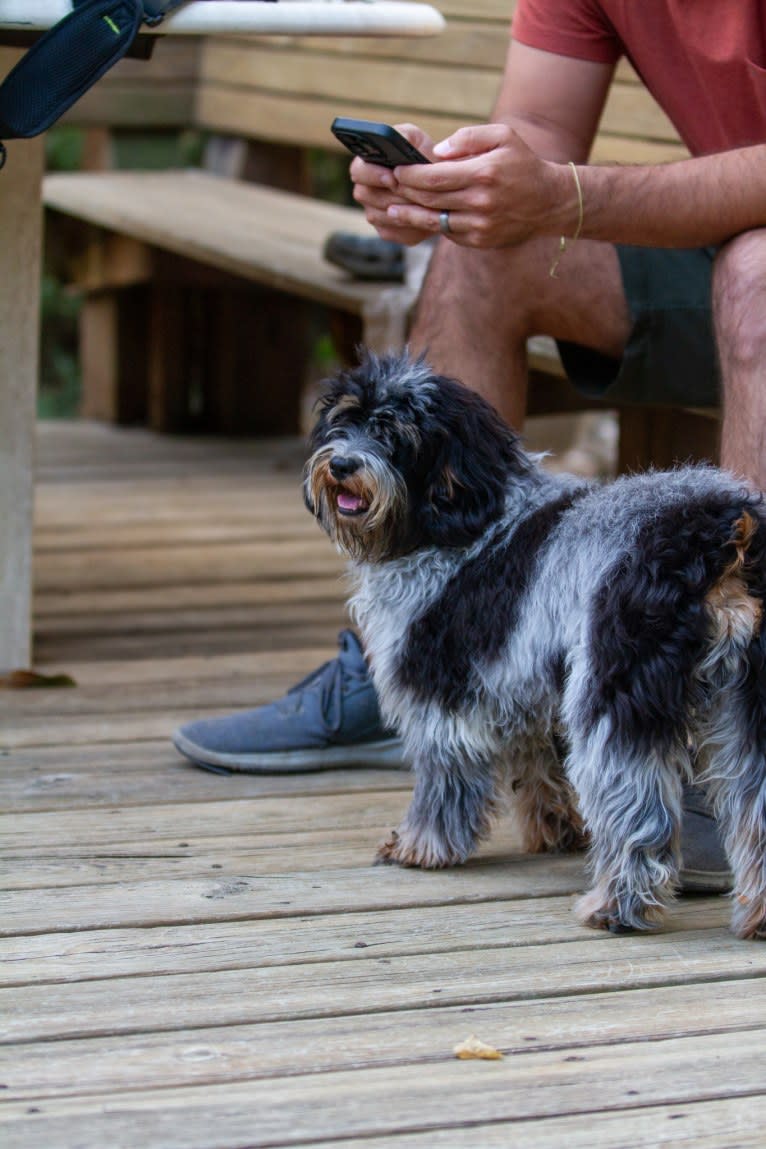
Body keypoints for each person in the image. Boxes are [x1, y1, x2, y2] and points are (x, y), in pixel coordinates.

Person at [173, 0, 765, 890]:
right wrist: (454, 185)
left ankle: (726, 714)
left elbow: (575, 186)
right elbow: (537, 125)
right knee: (481, 251)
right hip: (721, 237)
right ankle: (430, 654)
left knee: (760, 275)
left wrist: (565, 194)